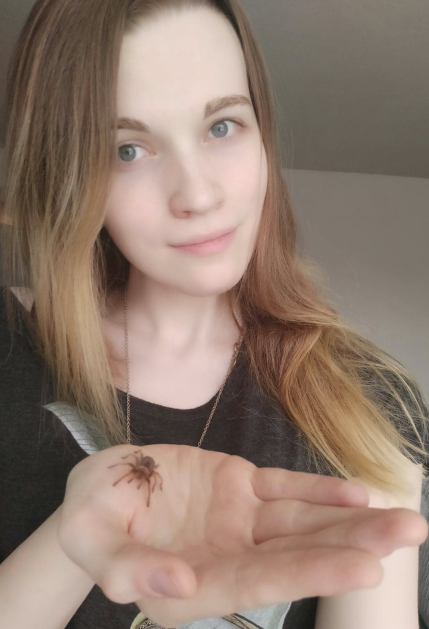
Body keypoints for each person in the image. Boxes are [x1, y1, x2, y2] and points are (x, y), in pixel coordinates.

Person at [0, 1, 428, 628]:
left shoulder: (369, 403)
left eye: (221, 127)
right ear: (69, 172)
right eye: (127, 150)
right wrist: (73, 533)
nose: (198, 195)